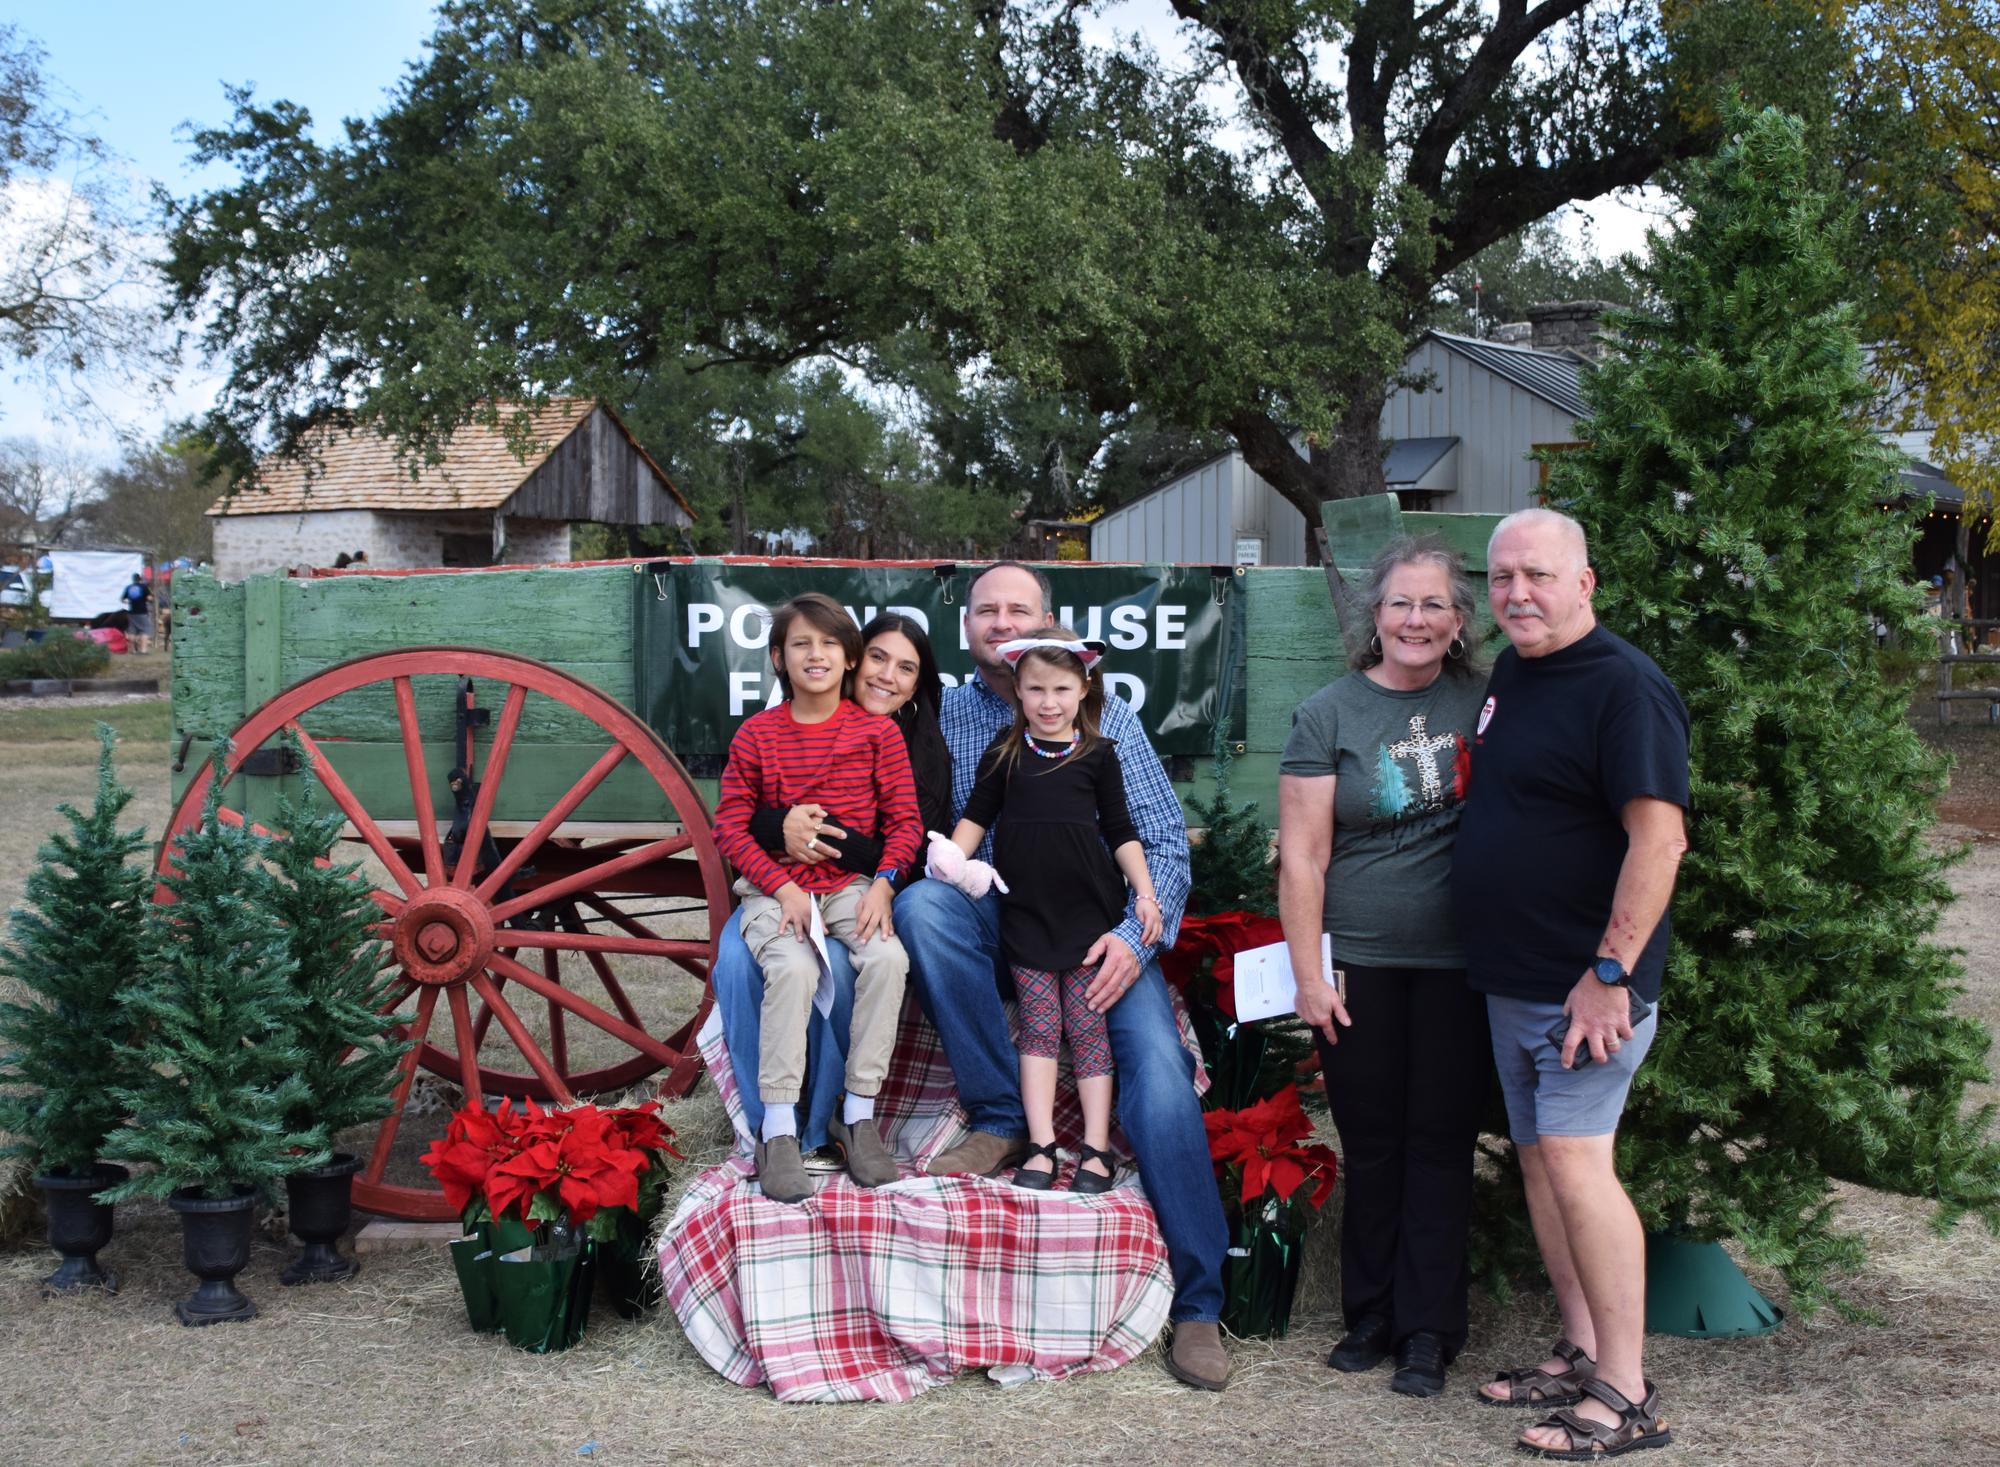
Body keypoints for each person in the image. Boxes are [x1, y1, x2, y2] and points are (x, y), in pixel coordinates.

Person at [892, 561, 1232, 1392]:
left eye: (1021, 609)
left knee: (1157, 1065)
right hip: (998, 916)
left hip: (1090, 935)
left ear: (1050, 626)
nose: (1003, 621)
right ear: (967, 625)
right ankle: (1005, 1112)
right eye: (987, 610)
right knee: (924, 909)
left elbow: (1152, 834)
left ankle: (1198, 1302)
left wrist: (1130, 937)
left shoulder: (1101, 713)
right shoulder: (941, 708)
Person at [1452, 508, 1688, 1457]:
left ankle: (1629, 1395)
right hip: (1513, 980)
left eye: (1539, 576)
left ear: (1586, 581)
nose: (1517, 594)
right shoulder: (1516, 671)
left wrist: (1608, 972)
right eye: (1503, 577)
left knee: (1582, 1167)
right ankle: (1586, 1350)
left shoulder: (1625, 688)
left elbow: (1659, 839)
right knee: (1547, 1164)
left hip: (1587, 989)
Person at [1275, 535, 1489, 1398]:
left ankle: (1430, 1329)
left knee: (1440, 1142)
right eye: (1401, 602)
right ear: (1375, 613)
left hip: (1459, 963)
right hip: (1357, 960)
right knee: (1371, 1142)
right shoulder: (1327, 713)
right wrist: (1309, 974)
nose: (1416, 618)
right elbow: (1302, 859)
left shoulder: (1487, 700)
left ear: (1460, 619)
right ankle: (1369, 1310)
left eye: (1434, 603)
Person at [710, 613, 951, 1157]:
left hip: (851, 887)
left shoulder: (883, 735)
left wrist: (884, 884)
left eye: (906, 668)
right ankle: (777, 1128)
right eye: (801, 644)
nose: (888, 675)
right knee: (791, 967)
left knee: (888, 960)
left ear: (844, 656)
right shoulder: (758, 733)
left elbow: (905, 826)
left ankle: (857, 1112)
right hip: (778, 888)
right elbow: (731, 822)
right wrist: (783, 882)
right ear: (779, 657)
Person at [945, 633, 1164, 1193]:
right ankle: (1041, 1145)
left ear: (1083, 688)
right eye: (1036, 689)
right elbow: (976, 818)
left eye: (1062, 689)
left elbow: (1121, 830)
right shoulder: (1005, 752)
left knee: (1089, 1030)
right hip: (1028, 915)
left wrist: (1143, 892)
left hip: (1090, 914)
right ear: (1016, 690)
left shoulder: (1098, 753)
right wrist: (947, 861)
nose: (1049, 702)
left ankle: (1095, 1149)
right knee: (1041, 1029)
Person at [121, 574, 153, 654]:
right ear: (140, 579)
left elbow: (123, 599)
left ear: (133, 579)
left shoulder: (129, 587)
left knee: (132, 631)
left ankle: (132, 650)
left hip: (132, 612)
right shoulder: (144, 587)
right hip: (142, 612)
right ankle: (143, 650)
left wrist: (129, 601)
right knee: (145, 630)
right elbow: (149, 598)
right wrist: (150, 599)